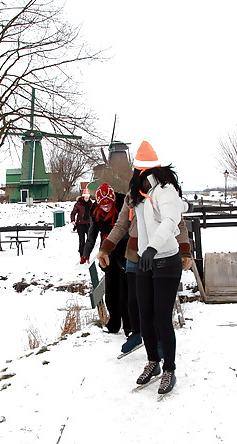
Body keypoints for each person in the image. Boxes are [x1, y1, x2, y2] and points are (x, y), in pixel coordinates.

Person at [120, 141, 192, 395]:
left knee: (162, 318)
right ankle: (153, 362)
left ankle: (170, 368)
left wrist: (152, 248)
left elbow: (172, 219)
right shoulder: (139, 193)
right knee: (145, 316)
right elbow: (130, 220)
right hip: (144, 261)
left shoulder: (165, 189)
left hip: (166, 259)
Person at [97, 188, 192, 357]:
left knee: (157, 301)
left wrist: (185, 251)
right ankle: (137, 332)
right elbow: (121, 224)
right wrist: (106, 248)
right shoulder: (131, 196)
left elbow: (180, 225)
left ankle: (160, 340)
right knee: (133, 298)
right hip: (134, 252)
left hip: (159, 252)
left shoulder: (165, 195)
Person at [82, 183, 130, 335]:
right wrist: (86, 253)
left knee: (125, 292)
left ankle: (129, 325)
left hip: (125, 251)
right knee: (110, 291)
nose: (107, 208)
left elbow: (129, 229)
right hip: (107, 254)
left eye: (109, 205)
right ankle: (114, 323)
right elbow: (91, 234)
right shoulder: (95, 212)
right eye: (103, 206)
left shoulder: (123, 205)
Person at [70, 191, 92, 264]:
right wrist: (73, 220)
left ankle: (87, 256)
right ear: (83, 197)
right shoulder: (78, 204)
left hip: (88, 224)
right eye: (85, 198)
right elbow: (73, 213)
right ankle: (81, 255)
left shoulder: (90, 204)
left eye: (88, 198)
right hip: (80, 224)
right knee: (82, 241)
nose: (87, 199)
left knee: (89, 241)